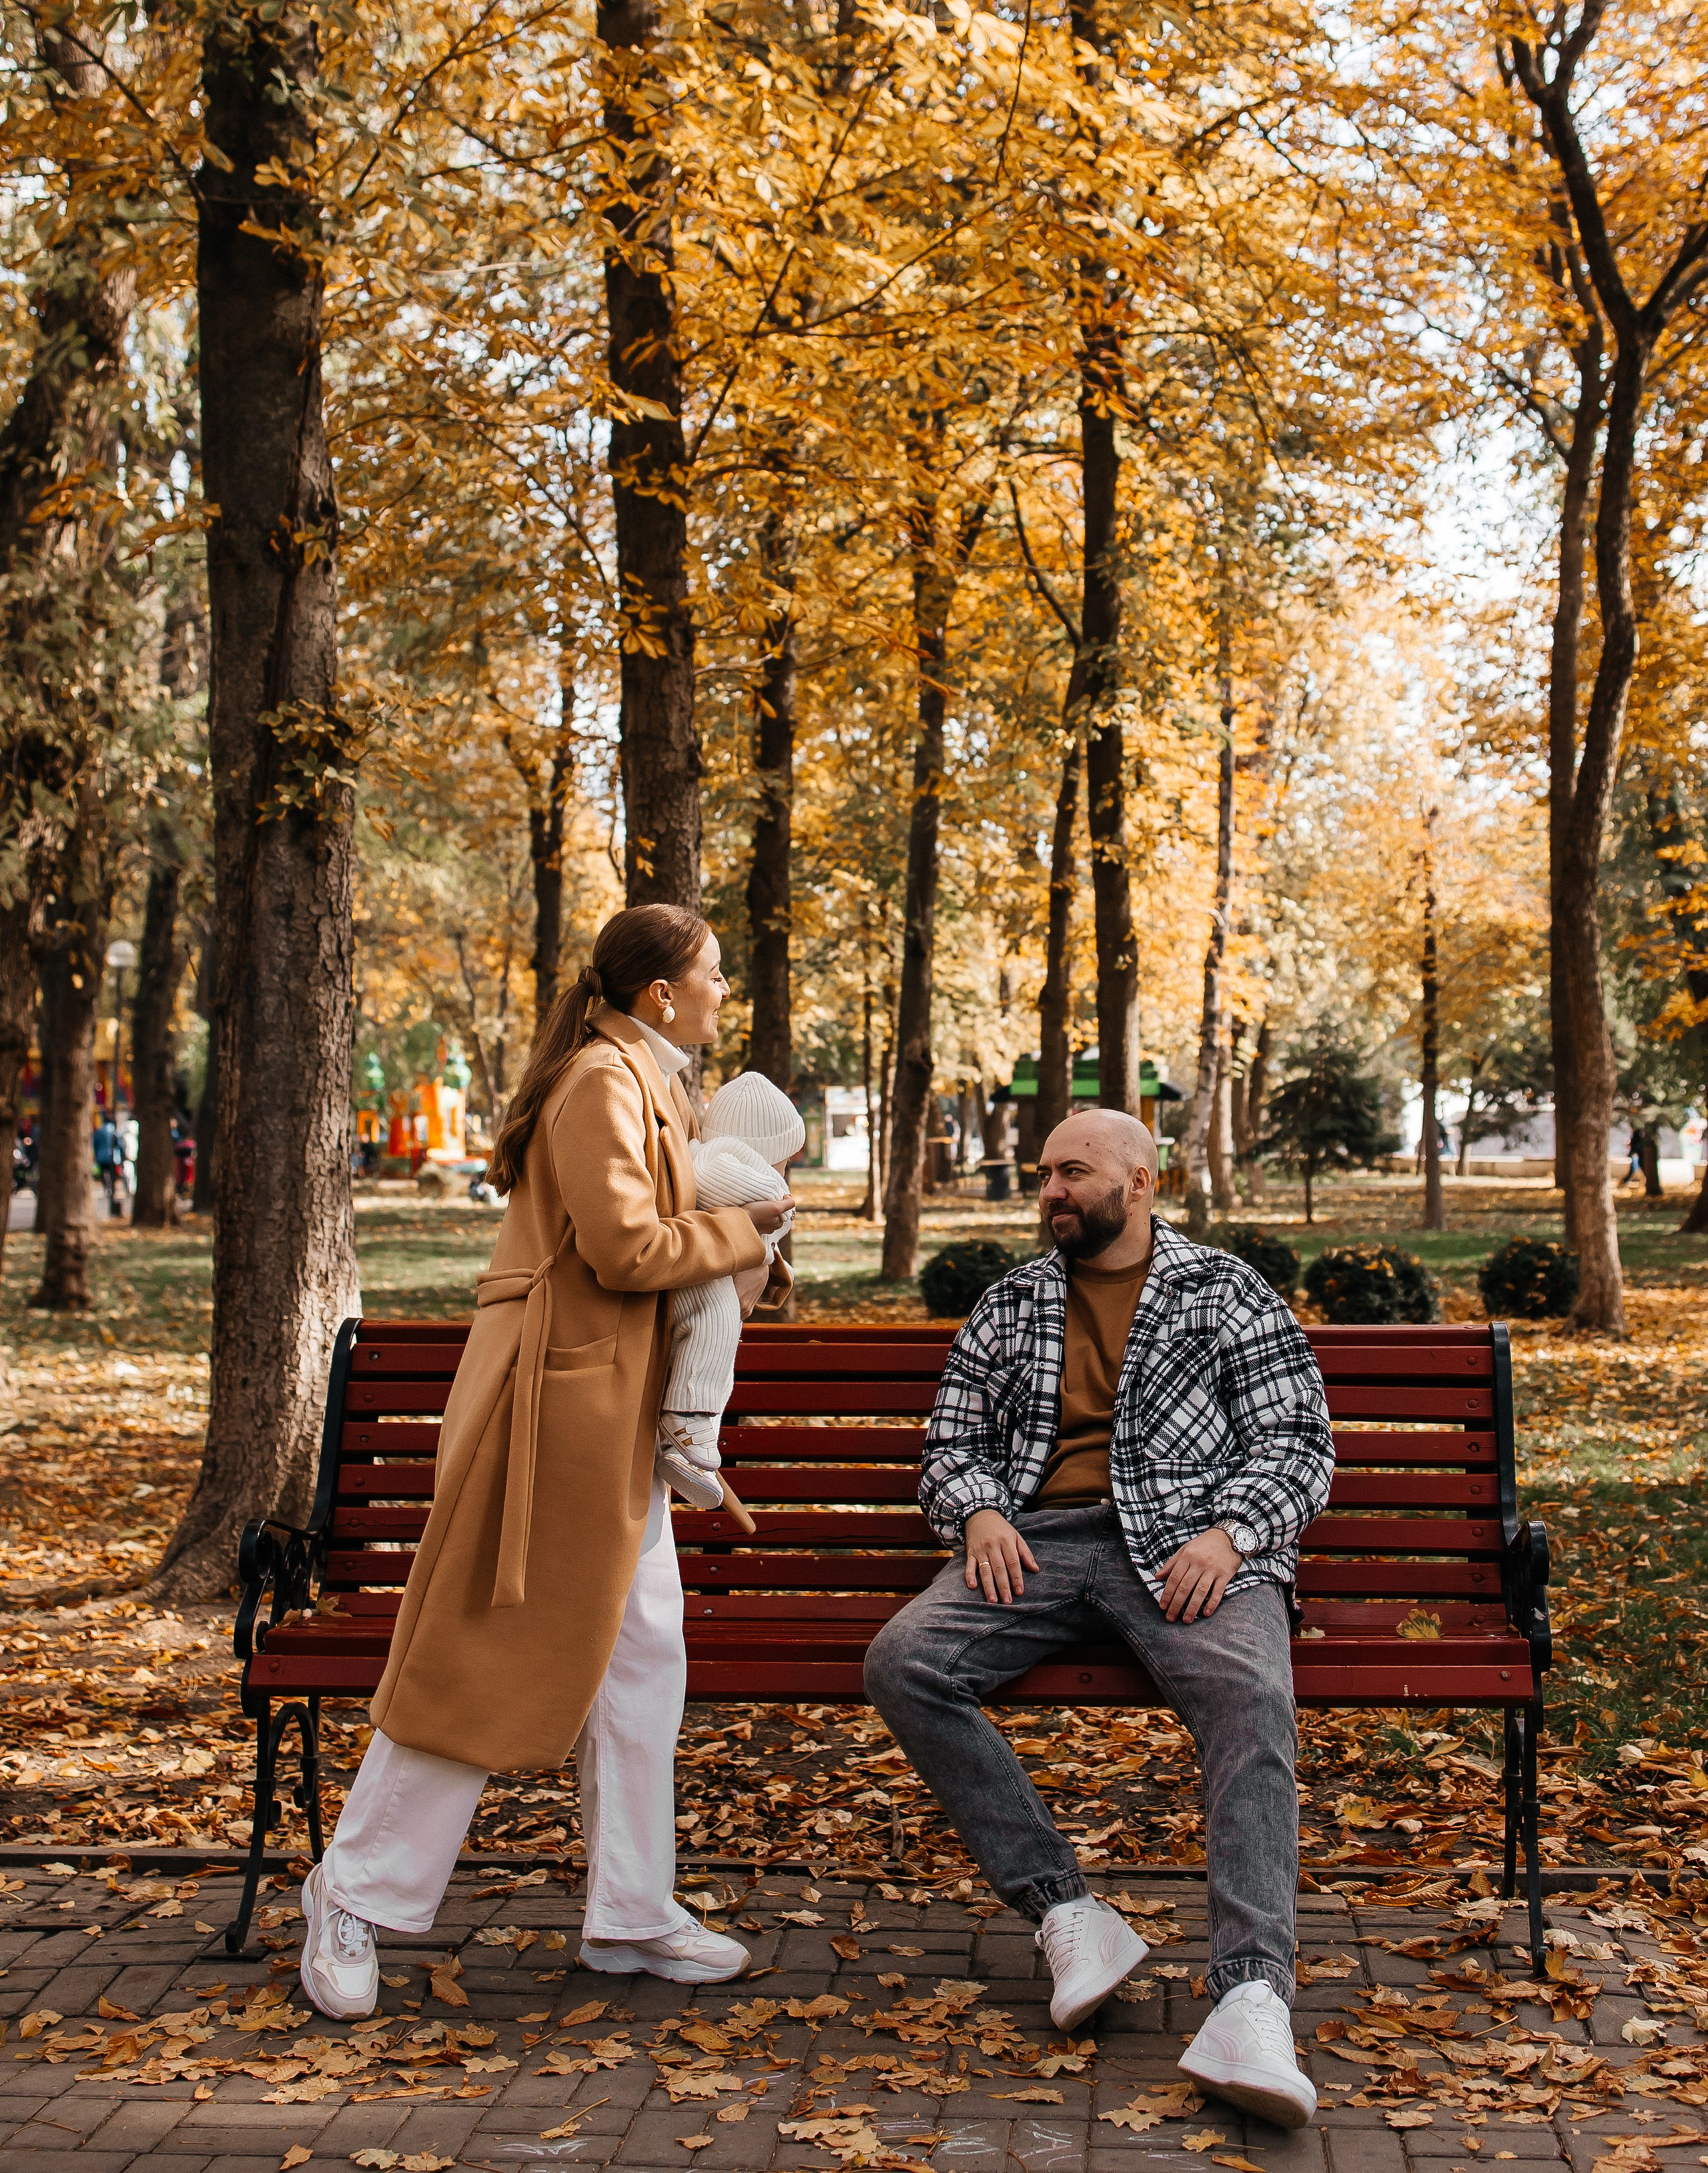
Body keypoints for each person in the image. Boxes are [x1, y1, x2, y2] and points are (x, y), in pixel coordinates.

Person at [298, 904, 793, 2022]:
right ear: (661, 993)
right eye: (714, 974)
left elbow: (668, 1246)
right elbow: (625, 1251)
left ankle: (632, 1910)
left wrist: (749, 1239)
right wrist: (753, 1228)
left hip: (612, 1420)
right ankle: (351, 1893)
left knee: (641, 1664)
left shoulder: (651, 1084)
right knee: (482, 1658)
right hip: (557, 1420)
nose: (723, 991)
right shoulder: (601, 1086)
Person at [864, 1109, 1334, 2128]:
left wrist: (1231, 1536)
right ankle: (1069, 1912)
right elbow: (949, 1446)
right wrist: (980, 1509)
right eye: (1045, 1175)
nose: (1052, 1192)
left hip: (1188, 1545)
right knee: (905, 1662)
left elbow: (1298, 1442)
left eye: (1073, 1172)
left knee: (1251, 1699)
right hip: (1039, 1544)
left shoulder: (1224, 1291)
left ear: (1142, 1180)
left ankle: (1252, 1996)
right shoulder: (1013, 1301)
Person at [656, 1070, 805, 1508]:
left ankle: (685, 1442)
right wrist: (767, 1191)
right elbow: (708, 1179)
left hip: (703, 1265)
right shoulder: (725, 1158)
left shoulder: (720, 1147)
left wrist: (759, 1254)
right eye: (785, 1159)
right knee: (714, 1328)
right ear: (767, 1149)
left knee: (712, 1347)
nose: (787, 1169)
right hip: (694, 1276)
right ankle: (687, 1423)